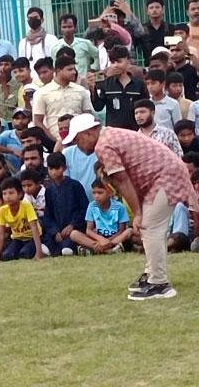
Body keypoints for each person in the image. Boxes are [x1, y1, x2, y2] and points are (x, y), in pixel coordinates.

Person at [63, 113, 198, 299]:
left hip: (165, 177)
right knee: (151, 228)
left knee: (150, 227)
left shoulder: (103, 144)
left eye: (77, 140)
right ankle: (152, 274)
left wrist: (137, 213)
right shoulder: (110, 135)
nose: (78, 145)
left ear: (87, 133)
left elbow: (123, 180)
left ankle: (160, 283)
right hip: (164, 175)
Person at [34, 56, 93, 142]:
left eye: (74, 69)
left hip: (80, 141)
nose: (74, 72)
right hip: (55, 140)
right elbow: (38, 122)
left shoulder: (81, 90)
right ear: (58, 71)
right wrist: (54, 141)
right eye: (69, 69)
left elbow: (88, 116)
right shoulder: (42, 93)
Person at [39, 152, 88, 257]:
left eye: (57, 168)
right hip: (57, 231)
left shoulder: (75, 185)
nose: (54, 172)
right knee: (45, 246)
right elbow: (48, 215)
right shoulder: (49, 190)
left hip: (74, 229)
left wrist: (72, 225)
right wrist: (54, 231)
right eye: (51, 168)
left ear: (64, 168)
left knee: (67, 249)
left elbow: (84, 209)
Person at [69, 179, 132, 255]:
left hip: (114, 238)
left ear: (109, 193)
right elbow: (89, 230)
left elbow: (121, 231)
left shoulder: (119, 207)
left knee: (129, 231)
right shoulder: (92, 206)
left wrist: (108, 241)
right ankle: (108, 251)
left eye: (100, 193)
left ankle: (96, 249)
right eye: (94, 193)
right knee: (74, 234)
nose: (96, 196)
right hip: (98, 238)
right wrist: (100, 240)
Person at [0, 177, 44, 261]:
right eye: (4, 194)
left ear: (20, 194)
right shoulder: (2, 210)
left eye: (11, 193)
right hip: (17, 239)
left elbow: (34, 228)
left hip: (31, 238)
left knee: (25, 254)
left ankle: (42, 248)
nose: (7, 197)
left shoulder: (26, 206)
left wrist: (39, 253)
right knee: (7, 256)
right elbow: (0, 233)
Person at [52, 14, 99, 78]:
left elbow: (97, 56)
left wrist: (93, 69)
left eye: (69, 27)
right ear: (60, 28)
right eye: (64, 27)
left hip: (84, 81)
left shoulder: (85, 43)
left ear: (75, 27)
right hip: (66, 83)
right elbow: (55, 67)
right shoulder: (56, 47)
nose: (67, 30)